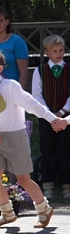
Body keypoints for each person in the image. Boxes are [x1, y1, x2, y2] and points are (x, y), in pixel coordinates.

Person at [0, 50, 57, 229]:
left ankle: (44, 209)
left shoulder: (10, 86)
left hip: (15, 137)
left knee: (23, 179)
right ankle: (7, 213)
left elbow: (31, 104)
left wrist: (52, 118)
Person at [31, 34, 70, 200]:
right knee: (47, 148)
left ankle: (67, 183)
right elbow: (36, 95)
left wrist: (62, 113)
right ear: (47, 53)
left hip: (66, 117)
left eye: (61, 50)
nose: (59, 53)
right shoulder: (39, 71)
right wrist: (48, 115)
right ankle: (47, 183)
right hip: (46, 118)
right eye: (54, 51)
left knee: (66, 148)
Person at [0, 7, 29, 90]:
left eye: (1, 21)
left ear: (7, 22)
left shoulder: (17, 41)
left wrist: (20, 93)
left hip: (10, 89)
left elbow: (23, 72)